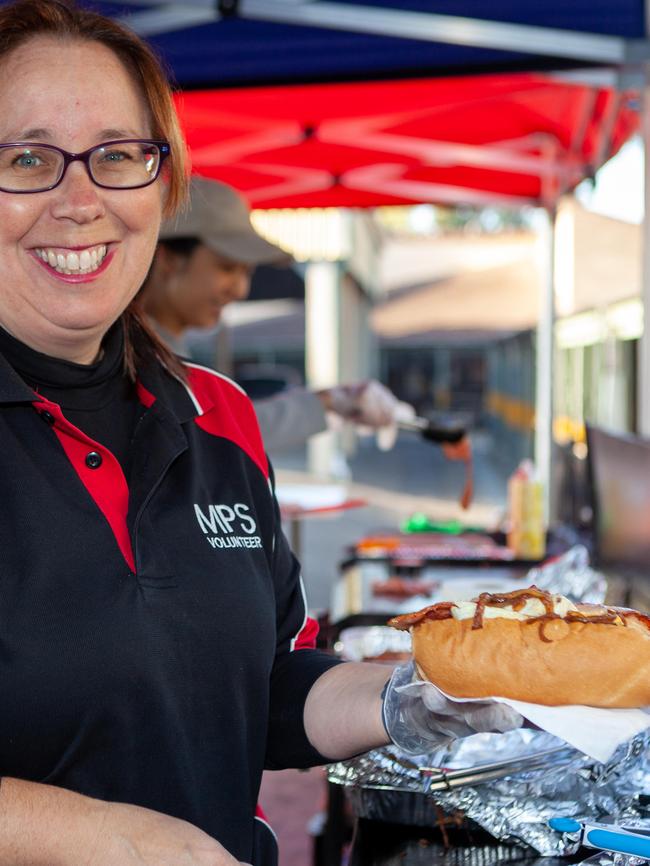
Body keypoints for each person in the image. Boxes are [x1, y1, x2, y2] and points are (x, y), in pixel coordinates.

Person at [0, 2, 522, 865]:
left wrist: (404, 699)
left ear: (161, 184)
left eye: (119, 155)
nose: (80, 199)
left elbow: (268, 683)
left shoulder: (221, 416)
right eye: (27, 158)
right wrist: (104, 837)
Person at [140, 175, 413, 453]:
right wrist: (329, 402)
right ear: (169, 260)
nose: (240, 290)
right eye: (227, 267)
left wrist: (330, 402)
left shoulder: (159, 343)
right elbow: (207, 433)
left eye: (246, 272)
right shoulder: (122, 351)